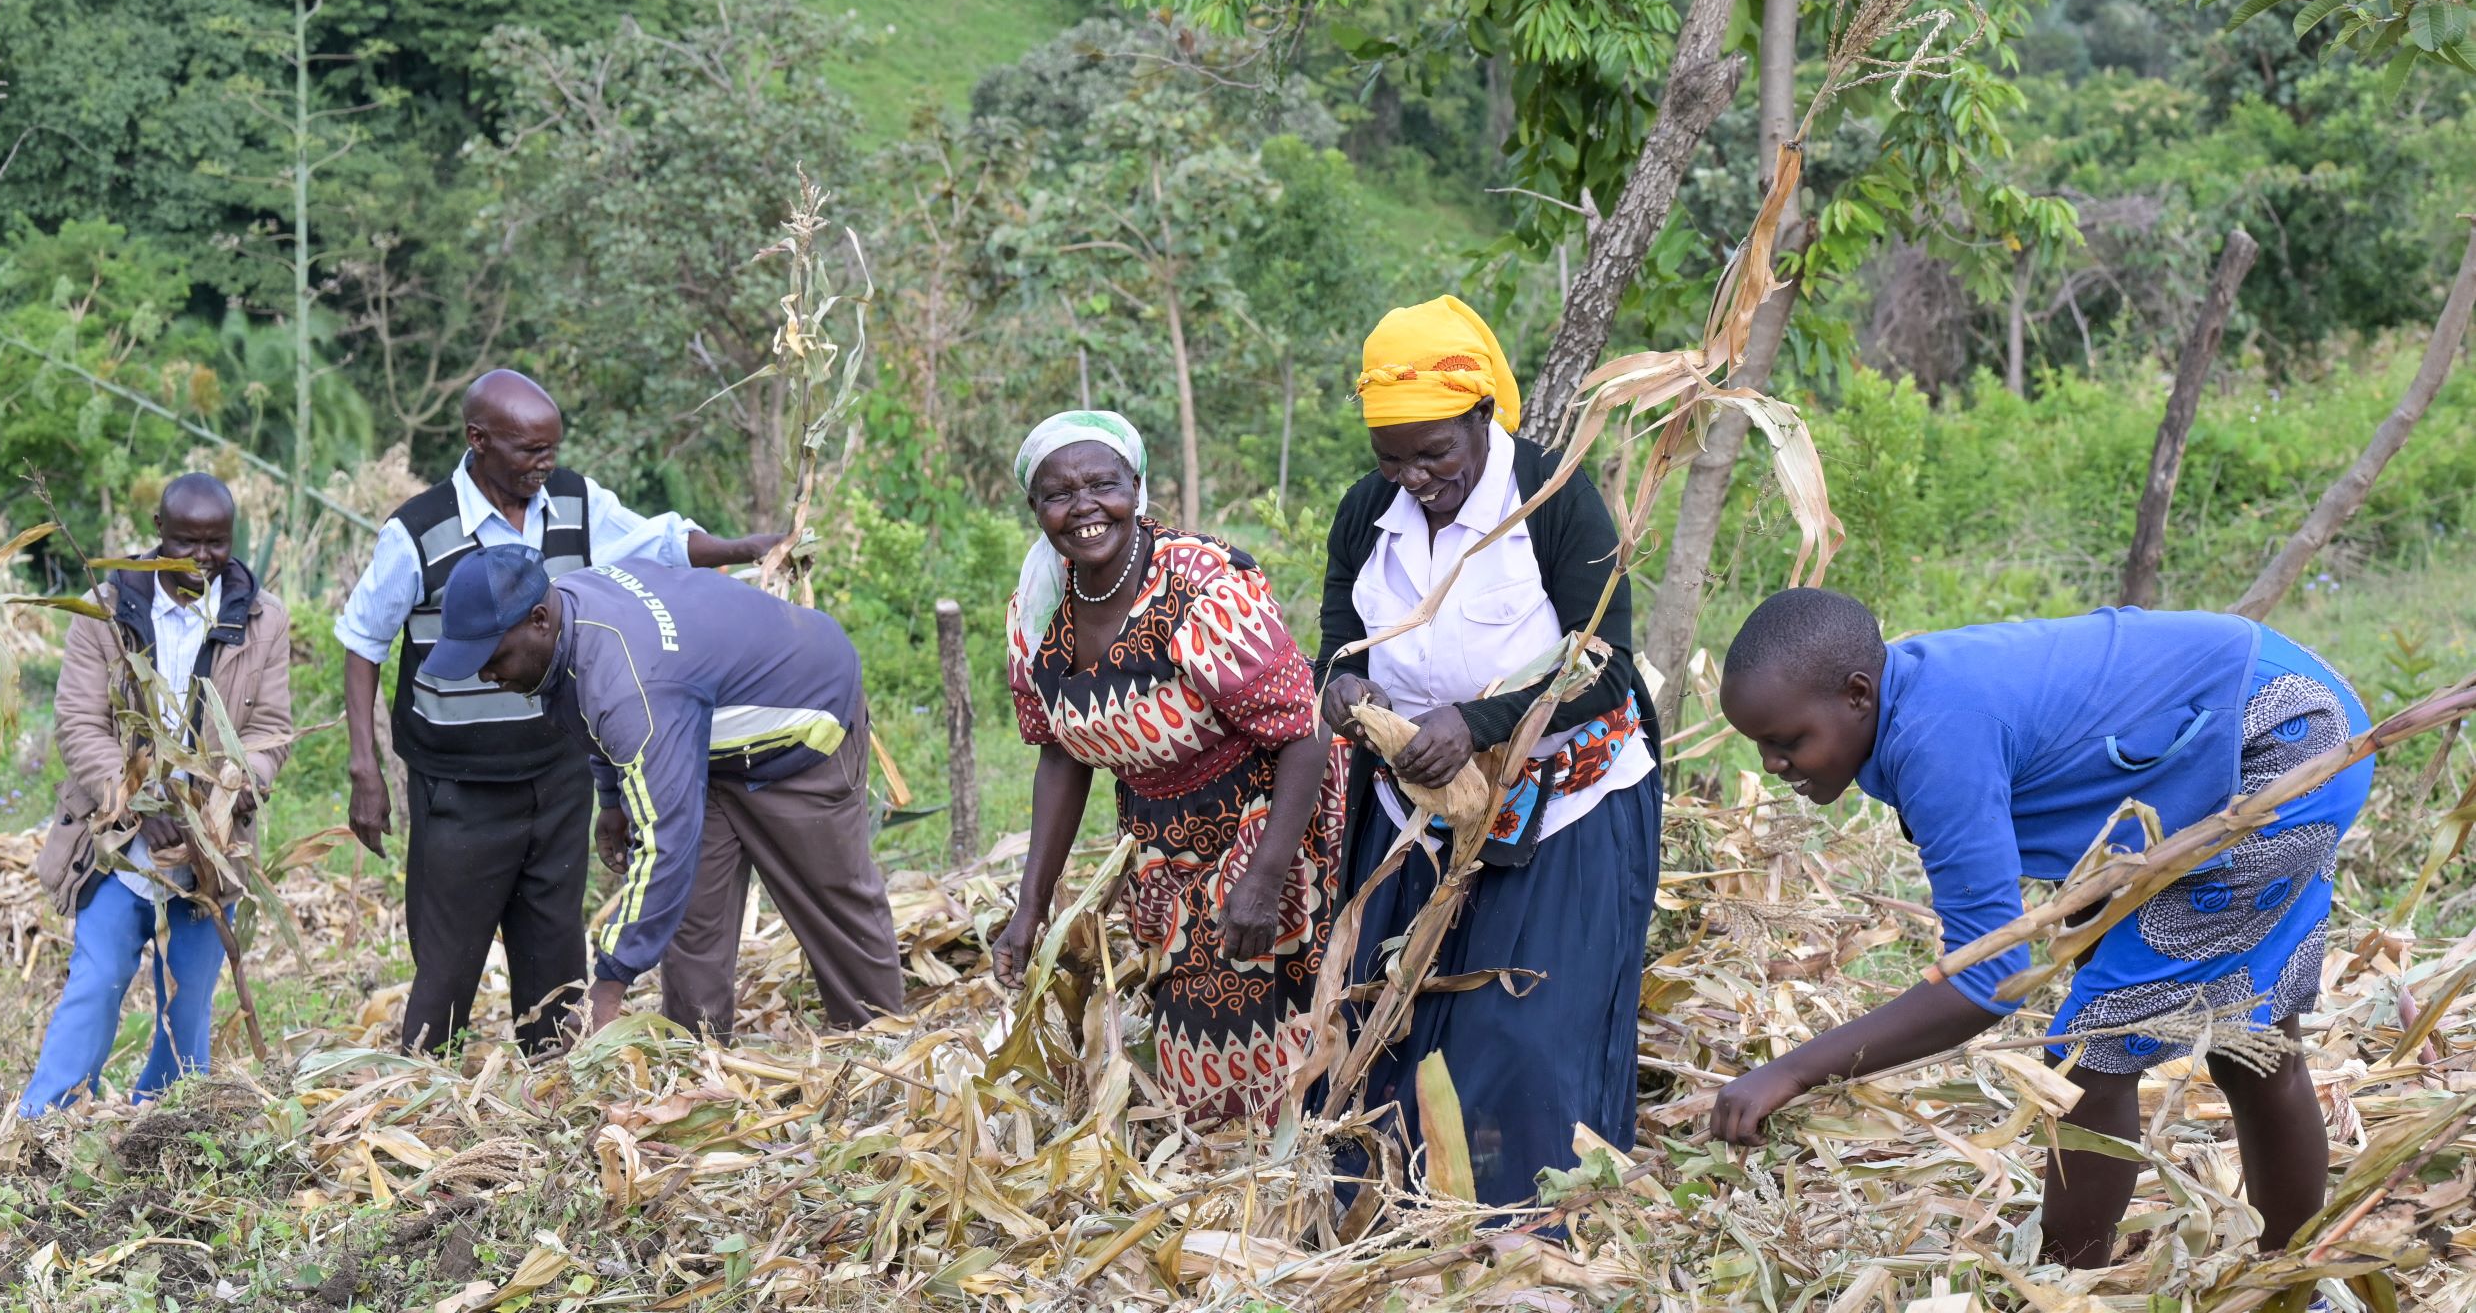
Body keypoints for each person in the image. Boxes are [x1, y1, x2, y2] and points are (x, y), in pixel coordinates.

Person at [1709, 589, 2373, 1270]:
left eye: (1787, 741)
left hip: (2277, 742)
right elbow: (2079, 780)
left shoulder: (1936, 738)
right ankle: (2291, 1281)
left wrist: (1790, 1072)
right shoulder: (1903, 697)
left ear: (1856, 694)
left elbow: (1988, 978)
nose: (1771, 765)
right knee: (2247, 1042)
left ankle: (2065, 1281)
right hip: (2273, 701)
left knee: (2087, 1058)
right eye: (1760, 744)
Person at [1314, 296, 1662, 1204]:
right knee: (1391, 1016)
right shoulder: (1366, 514)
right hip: (1415, 813)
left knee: (1527, 1032)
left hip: (1560, 808)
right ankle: (1394, 1213)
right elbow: (1335, 645)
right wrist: (1347, 692)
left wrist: (1480, 722)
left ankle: (1537, 1228)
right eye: (1392, 458)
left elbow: (1608, 663)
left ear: (1483, 416)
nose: (1415, 477)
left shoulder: (1552, 499)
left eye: (1436, 453)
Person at [335, 368, 781, 1054]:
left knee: (555, 954)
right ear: (477, 440)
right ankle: (425, 1088)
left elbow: (658, 542)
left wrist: (745, 550)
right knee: (448, 960)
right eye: (528, 451)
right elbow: (363, 640)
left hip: (559, 771)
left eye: (551, 449)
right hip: (459, 785)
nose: (544, 464)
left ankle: (554, 1083)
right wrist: (365, 768)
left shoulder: (574, 502)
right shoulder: (418, 531)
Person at [991, 411, 1342, 1124]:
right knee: (1197, 1051)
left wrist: (1266, 876)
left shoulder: (1199, 586)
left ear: (1138, 488)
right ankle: (1233, 1195)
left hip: (1276, 824)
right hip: (1165, 847)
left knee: (1288, 1038)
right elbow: (1060, 757)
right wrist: (1029, 908)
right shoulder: (1038, 610)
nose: (1084, 507)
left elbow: (1303, 727)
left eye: (1103, 485)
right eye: (1059, 493)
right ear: (1036, 510)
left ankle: (1303, 1196)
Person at [429, 545, 903, 1036]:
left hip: (802, 720)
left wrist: (609, 985)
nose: (486, 674)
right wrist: (611, 800)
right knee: (693, 919)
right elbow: (598, 710)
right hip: (698, 734)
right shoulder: (575, 605)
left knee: (832, 902)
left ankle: (880, 1049)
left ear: (540, 619)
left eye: (492, 656)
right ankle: (699, 1063)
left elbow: (663, 838)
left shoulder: (632, 684)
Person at [21, 474, 291, 1113]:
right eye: (186, 542)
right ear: (157, 529)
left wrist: (220, 795)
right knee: (99, 977)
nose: (201, 558)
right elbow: (80, 723)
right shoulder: (106, 608)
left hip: (211, 848)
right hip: (117, 841)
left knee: (190, 992)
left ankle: (164, 1123)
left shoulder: (261, 617)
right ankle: (42, 1122)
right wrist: (139, 805)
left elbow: (271, 732)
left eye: (217, 543)